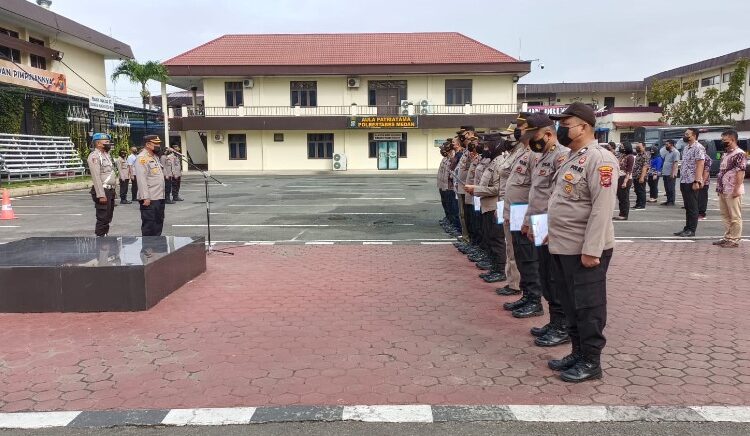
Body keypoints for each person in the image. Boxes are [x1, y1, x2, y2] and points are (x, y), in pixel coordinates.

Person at [547, 102, 619, 383]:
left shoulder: (600, 159)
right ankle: (577, 352)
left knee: (588, 307)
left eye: (566, 124)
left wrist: (592, 250)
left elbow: (602, 208)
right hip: (563, 245)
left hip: (584, 249)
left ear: (584, 127)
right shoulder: (571, 157)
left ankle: (591, 361)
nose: (561, 128)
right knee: (570, 304)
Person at [522, 113, 570, 347]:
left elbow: (555, 195)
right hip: (539, 221)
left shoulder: (561, 156)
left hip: (550, 224)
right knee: (544, 273)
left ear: (549, 134)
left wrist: (546, 224)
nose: (532, 141)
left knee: (554, 276)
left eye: (536, 136)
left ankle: (562, 326)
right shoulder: (543, 156)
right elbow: (536, 193)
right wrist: (529, 221)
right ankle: (554, 321)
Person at [502, 117, 543, 319]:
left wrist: (529, 219)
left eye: (523, 128)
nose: (519, 131)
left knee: (529, 259)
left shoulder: (535, 155)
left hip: (528, 214)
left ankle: (535, 300)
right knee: (520, 256)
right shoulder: (522, 153)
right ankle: (527, 296)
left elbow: (537, 189)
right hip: (517, 213)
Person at [465, 134, 509, 283]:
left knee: (497, 239)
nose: (484, 148)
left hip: (494, 206)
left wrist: (476, 189)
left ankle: (500, 270)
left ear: (495, 145)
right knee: (489, 237)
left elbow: (498, 188)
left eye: (486, 145)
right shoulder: (492, 162)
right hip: (486, 206)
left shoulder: (500, 163)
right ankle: (493, 266)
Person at [714, 129, 747, 248]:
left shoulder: (739, 153)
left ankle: (734, 239)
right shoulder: (726, 154)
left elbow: (740, 172)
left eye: (725, 140)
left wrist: (737, 188)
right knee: (725, 215)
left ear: (733, 139)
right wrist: (719, 188)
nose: (722, 142)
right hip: (723, 189)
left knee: (734, 215)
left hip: (732, 188)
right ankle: (727, 236)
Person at [674, 128, 706, 237]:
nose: (685, 135)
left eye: (687, 134)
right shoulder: (686, 148)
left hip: (692, 180)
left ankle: (692, 230)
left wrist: (697, 181)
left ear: (694, 136)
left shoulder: (698, 147)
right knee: (687, 206)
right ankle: (687, 228)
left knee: (693, 206)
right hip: (684, 180)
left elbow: (700, 164)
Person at [134, 135, 166, 236]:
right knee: (149, 225)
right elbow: (141, 179)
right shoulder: (142, 158)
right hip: (150, 198)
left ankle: (157, 249)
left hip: (159, 196)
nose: (158, 145)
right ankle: (148, 251)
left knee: (158, 224)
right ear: (148, 144)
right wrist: (145, 197)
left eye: (159, 143)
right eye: (155, 144)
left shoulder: (154, 157)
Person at [87, 133, 116, 237]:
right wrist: (101, 194)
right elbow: (96, 177)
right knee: (103, 216)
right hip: (102, 190)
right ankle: (100, 240)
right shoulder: (94, 156)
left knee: (108, 216)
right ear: (98, 143)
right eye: (106, 142)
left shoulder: (106, 155)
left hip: (109, 190)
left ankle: (105, 236)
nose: (109, 144)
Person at [613, 142, 634, 220]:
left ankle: (624, 215)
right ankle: (621, 213)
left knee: (624, 197)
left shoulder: (630, 157)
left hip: (626, 177)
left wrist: (625, 181)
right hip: (620, 177)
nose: (621, 148)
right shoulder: (623, 156)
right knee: (620, 197)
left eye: (622, 146)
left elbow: (629, 170)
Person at [660, 140, 680, 206]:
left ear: (671, 145)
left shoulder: (675, 152)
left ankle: (671, 201)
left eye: (667, 144)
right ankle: (668, 200)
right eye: (665, 144)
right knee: (667, 188)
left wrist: (673, 173)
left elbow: (675, 163)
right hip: (665, 172)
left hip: (670, 173)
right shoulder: (668, 152)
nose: (666, 146)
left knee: (671, 188)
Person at [632, 142, 650, 210]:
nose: (637, 148)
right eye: (637, 147)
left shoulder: (645, 155)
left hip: (641, 175)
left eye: (639, 147)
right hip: (636, 175)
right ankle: (638, 203)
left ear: (644, 147)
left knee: (641, 190)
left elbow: (645, 167)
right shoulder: (638, 155)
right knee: (637, 190)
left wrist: (642, 177)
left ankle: (642, 204)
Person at [698, 153, 712, 220]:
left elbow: (706, 170)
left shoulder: (706, 158)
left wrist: (703, 181)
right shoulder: (698, 156)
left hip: (703, 182)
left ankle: (701, 213)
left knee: (702, 198)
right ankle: (696, 212)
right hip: (696, 180)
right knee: (697, 197)